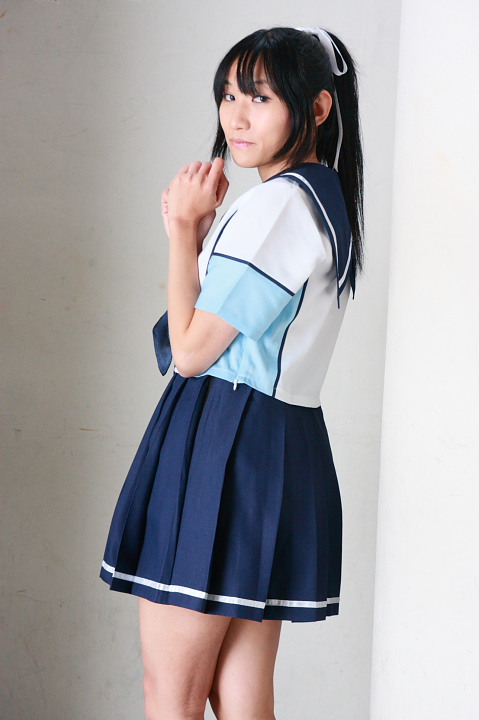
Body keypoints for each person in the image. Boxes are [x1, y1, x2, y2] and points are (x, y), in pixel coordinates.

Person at [99, 25, 364, 720]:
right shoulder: (322, 200)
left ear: (317, 107)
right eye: (227, 96)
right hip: (275, 444)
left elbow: (191, 353)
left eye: (260, 97)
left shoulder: (277, 206)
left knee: (172, 694)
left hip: (222, 441)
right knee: (240, 699)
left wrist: (184, 232)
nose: (236, 117)